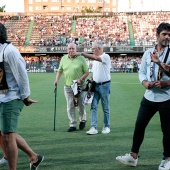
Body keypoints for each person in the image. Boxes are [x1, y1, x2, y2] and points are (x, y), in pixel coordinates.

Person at [116, 22, 170, 170]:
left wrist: (167, 83)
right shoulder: (148, 53)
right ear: (157, 35)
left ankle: (167, 159)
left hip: (167, 98)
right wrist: (144, 82)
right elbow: (141, 72)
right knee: (139, 125)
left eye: (169, 35)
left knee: (167, 130)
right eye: (164, 34)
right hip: (149, 96)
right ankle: (133, 157)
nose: (167, 37)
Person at [0, 23, 44, 170]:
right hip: (1, 97)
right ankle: (33, 156)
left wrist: (25, 97)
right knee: (4, 132)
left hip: (11, 98)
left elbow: (22, 75)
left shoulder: (10, 51)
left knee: (8, 136)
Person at [73, 41, 111, 135]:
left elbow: (96, 58)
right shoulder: (95, 60)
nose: (92, 51)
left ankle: (106, 126)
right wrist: (90, 79)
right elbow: (94, 73)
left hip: (105, 85)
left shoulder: (105, 56)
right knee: (93, 106)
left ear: (99, 48)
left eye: (94, 49)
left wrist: (82, 53)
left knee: (105, 107)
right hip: (95, 85)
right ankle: (94, 127)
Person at [54, 43, 89, 132]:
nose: (71, 50)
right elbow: (60, 70)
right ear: (67, 50)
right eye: (69, 49)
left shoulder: (81, 58)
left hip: (79, 86)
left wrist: (81, 79)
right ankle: (72, 124)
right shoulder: (63, 58)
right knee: (70, 105)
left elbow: (87, 72)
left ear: (76, 49)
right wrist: (56, 80)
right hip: (68, 86)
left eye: (73, 49)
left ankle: (83, 120)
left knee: (81, 104)